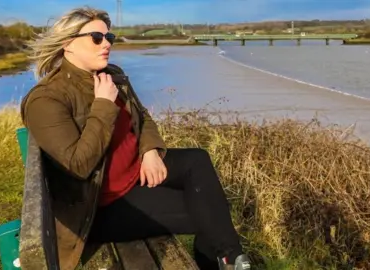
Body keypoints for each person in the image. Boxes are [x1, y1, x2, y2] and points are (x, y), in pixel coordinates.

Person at [20, 6, 251, 270]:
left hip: (134, 172)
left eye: (110, 38)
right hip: (101, 206)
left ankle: (230, 258)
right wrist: (104, 106)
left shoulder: (111, 74)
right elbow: (78, 165)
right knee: (209, 217)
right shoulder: (46, 99)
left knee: (197, 160)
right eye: (97, 38)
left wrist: (149, 150)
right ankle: (228, 261)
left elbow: (142, 117)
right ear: (67, 44)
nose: (106, 44)